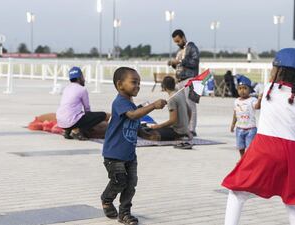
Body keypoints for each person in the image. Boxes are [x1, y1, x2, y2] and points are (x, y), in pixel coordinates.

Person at [222, 48, 295, 225]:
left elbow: (285, 95)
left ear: (280, 71)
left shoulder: (268, 91)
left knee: (236, 192)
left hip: (264, 148)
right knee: (292, 201)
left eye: (273, 67)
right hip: (289, 154)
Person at [100, 67, 167, 225]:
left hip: (129, 155)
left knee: (130, 184)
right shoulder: (120, 103)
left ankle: (124, 213)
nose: (137, 86)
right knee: (119, 181)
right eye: (134, 82)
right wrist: (153, 106)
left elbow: (136, 125)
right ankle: (107, 199)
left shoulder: (133, 106)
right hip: (114, 154)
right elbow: (132, 115)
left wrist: (148, 134)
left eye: (139, 83)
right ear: (120, 84)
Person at [56, 66, 109, 140]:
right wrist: (90, 125)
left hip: (60, 121)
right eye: (83, 77)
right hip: (71, 121)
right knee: (102, 115)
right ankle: (78, 131)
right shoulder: (82, 89)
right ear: (79, 78)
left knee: (75, 115)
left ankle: (67, 131)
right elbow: (87, 109)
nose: (84, 79)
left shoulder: (66, 88)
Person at [144, 76, 193, 149]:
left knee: (150, 133)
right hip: (184, 129)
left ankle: (179, 136)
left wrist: (158, 126)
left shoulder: (171, 99)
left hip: (177, 131)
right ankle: (184, 133)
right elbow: (190, 111)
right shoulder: (180, 94)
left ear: (163, 87)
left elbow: (173, 120)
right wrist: (186, 127)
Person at [168, 29, 200, 136]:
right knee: (182, 105)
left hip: (190, 79)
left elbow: (195, 62)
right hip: (180, 80)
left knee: (191, 105)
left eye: (178, 41)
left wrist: (180, 61)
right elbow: (179, 66)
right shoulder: (179, 51)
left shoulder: (191, 47)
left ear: (183, 37)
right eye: (175, 42)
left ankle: (192, 129)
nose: (177, 44)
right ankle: (184, 127)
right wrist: (172, 63)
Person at [230, 76, 261, 157]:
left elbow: (257, 107)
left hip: (250, 129)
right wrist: (233, 124)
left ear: (249, 90)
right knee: (240, 146)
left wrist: (260, 100)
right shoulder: (236, 101)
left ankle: (249, 160)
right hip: (239, 128)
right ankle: (242, 159)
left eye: (244, 88)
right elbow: (235, 113)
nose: (242, 90)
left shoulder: (252, 100)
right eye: (240, 88)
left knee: (250, 147)